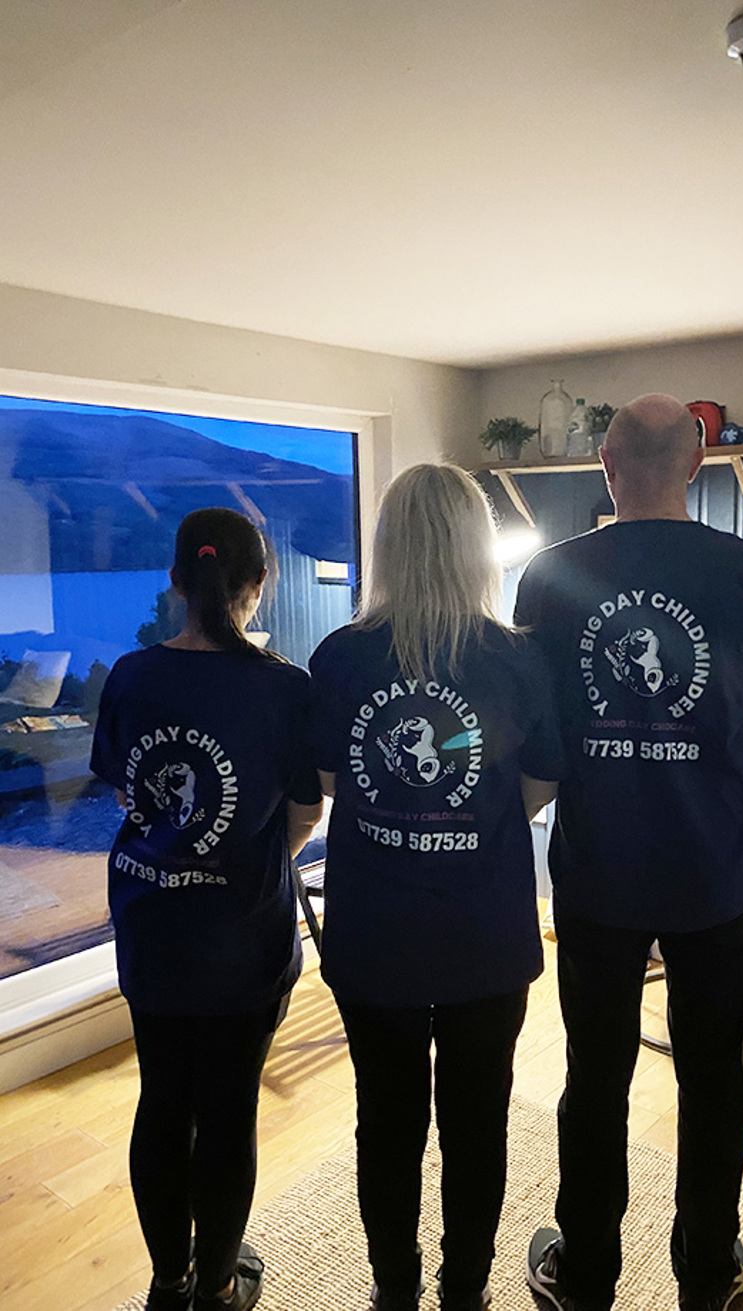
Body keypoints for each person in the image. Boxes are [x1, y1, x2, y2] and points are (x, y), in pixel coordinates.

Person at [516, 395, 743, 1311]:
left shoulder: (546, 574)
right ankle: (707, 1268)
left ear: (605, 464)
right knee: (711, 1074)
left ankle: (588, 1268)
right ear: (695, 465)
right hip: (715, 874)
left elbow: (540, 733)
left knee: (594, 1074)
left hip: (598, 874)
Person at [307, 463, 564, 1311]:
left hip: (372, 930)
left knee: (383, 1122)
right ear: (474, 545)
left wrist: (402, 805)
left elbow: (333, 779)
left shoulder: (341, 656)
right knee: (475, 1125)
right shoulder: (517, 658)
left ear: (389, 545)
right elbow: (534, 787)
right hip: (482, 933)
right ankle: (464, 1293)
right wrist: (469, 815)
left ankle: (393, 1291)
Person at [91, 507, 323, 1311]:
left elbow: (127, 789)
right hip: (244, 936)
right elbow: (302, 814)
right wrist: (241, 859)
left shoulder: (129, 675)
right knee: (227, 1109)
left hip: (151, 925)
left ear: (176, 580)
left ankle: (167, 1280)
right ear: (260, 584)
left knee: (162, 1099)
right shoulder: (286, 688)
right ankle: (219, 1284)